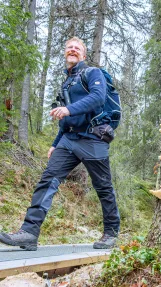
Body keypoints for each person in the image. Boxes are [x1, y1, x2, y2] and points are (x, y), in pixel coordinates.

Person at [0, 37, 120, 251]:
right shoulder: (67, 82)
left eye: (77, 48)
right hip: (69, 140)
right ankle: (29, 233)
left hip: (93, 139)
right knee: (47, 181)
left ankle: (110, 233)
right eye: (69, 48)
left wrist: (69, 109)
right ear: (65, 53)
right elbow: (65, 118)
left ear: (83, 54)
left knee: (103, 187)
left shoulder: (93, 73)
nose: (72, 50)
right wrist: (56, 143)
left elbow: (98, 98)